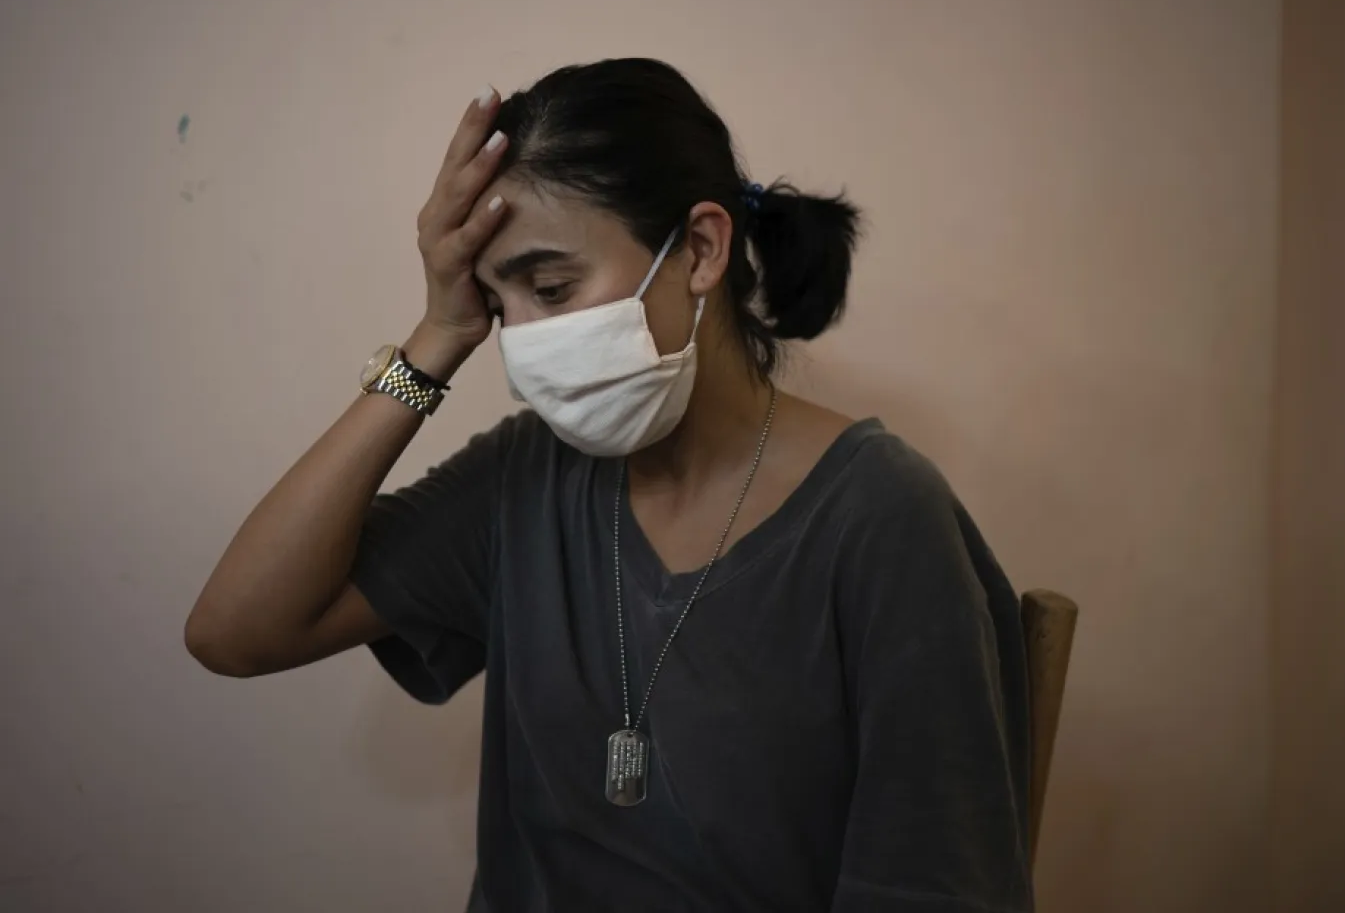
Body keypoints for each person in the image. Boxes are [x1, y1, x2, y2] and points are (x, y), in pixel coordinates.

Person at [186, 58, 1033, 912]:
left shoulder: (880, 517)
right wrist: (438, 337)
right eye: (498, 306)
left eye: (552, 289)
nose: (522, 341)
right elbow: (237, 632)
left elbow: (934, 881)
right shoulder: (526, 475)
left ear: (701, 250)